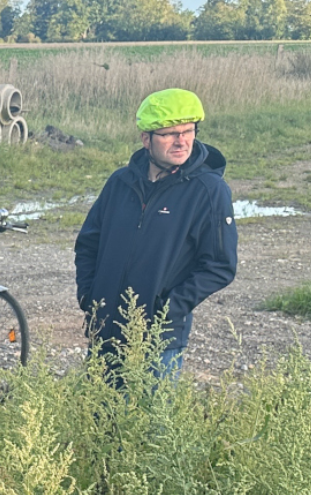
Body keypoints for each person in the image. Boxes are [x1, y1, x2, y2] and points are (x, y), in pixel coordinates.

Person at [75, 88, 238, 382]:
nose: (181, 141)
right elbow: (89, 243)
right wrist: (89, 296)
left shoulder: (209, 191)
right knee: (95, 422)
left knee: (149, 425)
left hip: (157, 342)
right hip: (105, 331)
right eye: (169, 134)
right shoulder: (120, 183)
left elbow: (219, 265)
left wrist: (168, 310)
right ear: (146, 139)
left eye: (188, 131)